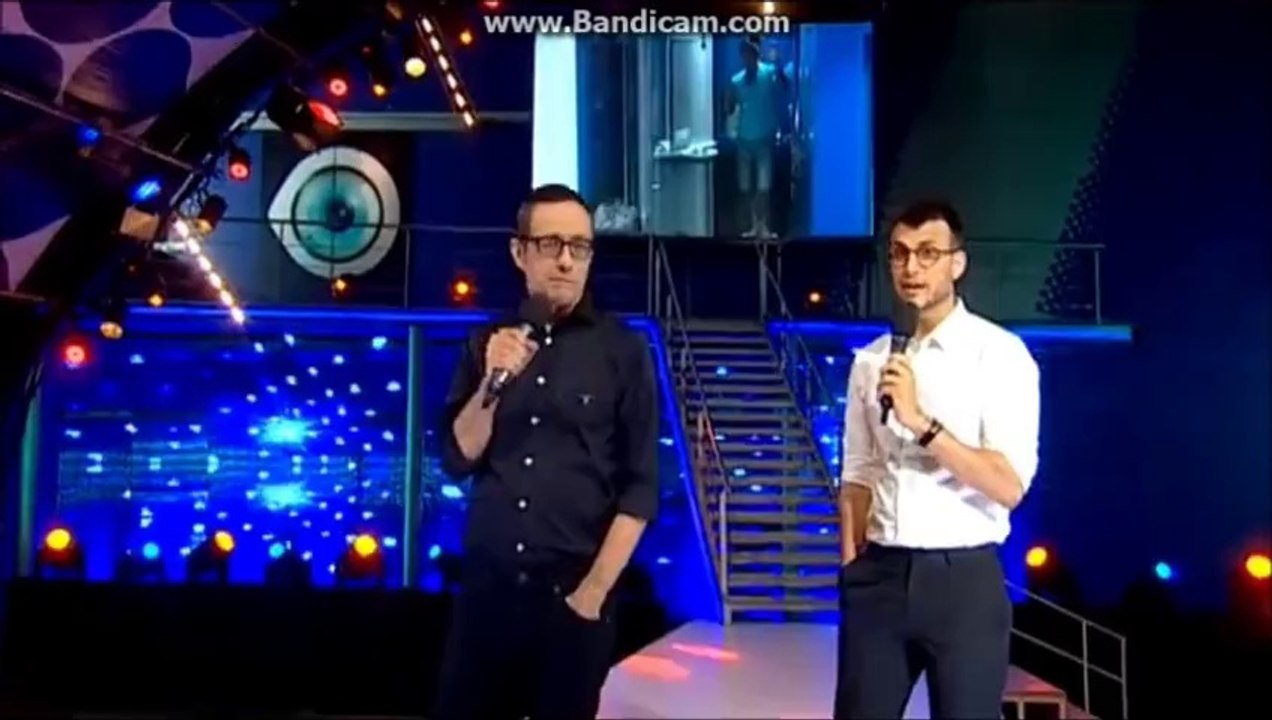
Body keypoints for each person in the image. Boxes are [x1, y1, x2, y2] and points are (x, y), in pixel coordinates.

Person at [432, 183, 659, 720]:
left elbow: (641, 488)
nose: (565, 260)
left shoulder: (622, 351)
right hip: (486, 600)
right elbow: (458, 457)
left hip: (572, 602)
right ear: (520, 252)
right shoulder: (487, 342)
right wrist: (492, 382)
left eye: (579, 247)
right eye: (551, 243)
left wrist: (591, 596)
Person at [834, 200, 1041, 719]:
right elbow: (857, 472)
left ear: (957, 263)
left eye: (928, 253)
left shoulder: (999, 355)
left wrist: (921, 423)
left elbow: (1009, 484)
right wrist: (851, 566)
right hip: (880, 578)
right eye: (900, 254)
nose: (912, 267)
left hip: (963, 580)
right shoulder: (872, 360)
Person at [724, 35, 786, 237]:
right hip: (744, 139)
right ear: (741, 56)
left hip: (764, 138)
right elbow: (730, 108)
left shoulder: (769, 72)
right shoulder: (736, 80)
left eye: (751, 53)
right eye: (745, 54)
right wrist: (728, 101)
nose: (748, 58)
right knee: (746, 187)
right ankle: (753, 226)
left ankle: (763, 226)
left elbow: (784, 86)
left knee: (763, 186)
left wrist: (779, 64)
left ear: (757, 54)